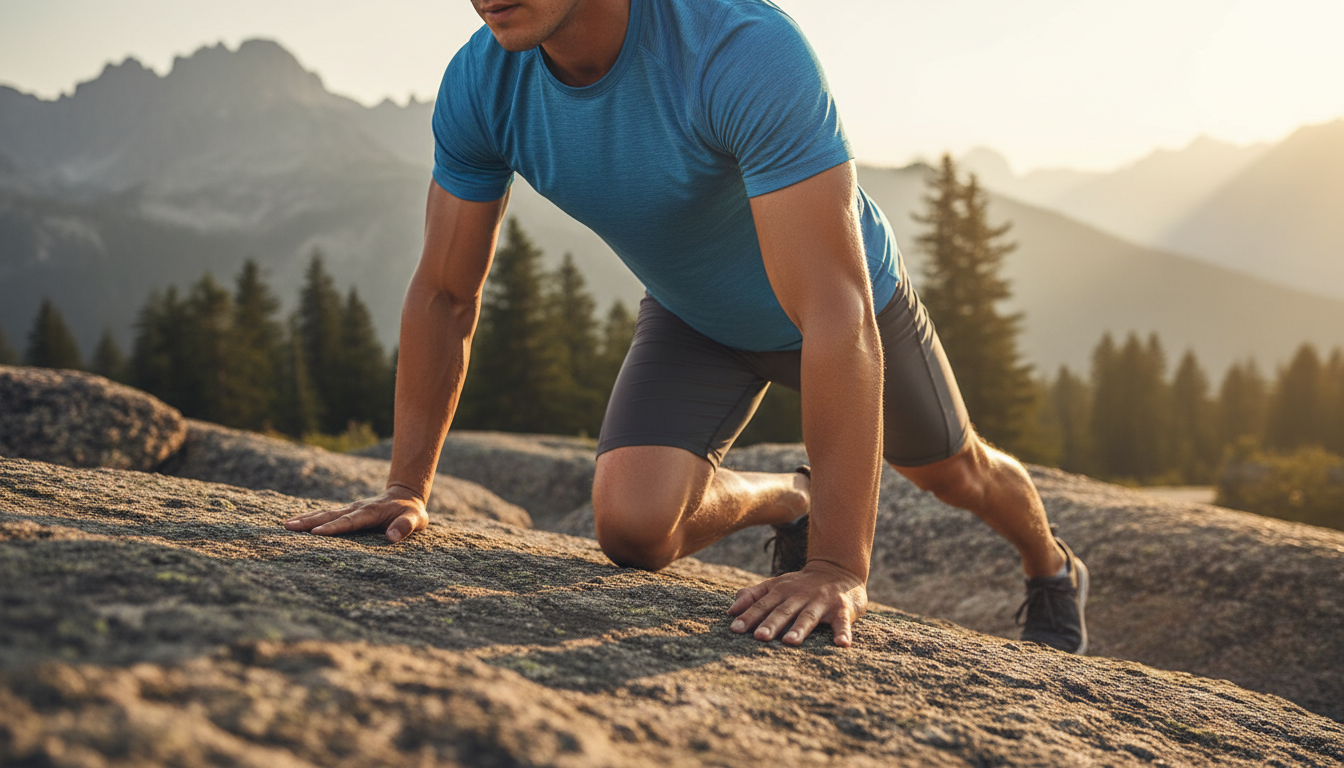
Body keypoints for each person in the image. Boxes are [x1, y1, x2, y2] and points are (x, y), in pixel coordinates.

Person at [283, 0, 1089, 653]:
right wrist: (405, 488)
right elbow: (444, 294)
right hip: (694, 316)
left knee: (957, 473)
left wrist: (838, 566)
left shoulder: (739, 47)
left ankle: (1051, 566)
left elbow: (833, 311)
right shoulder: (482, 83)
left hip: (845, 308)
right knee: (633, 530)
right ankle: (793, 498)